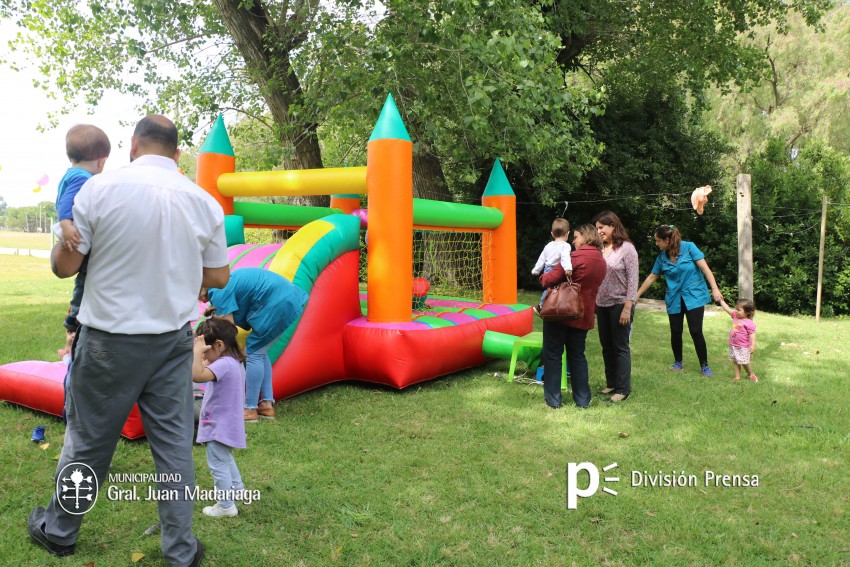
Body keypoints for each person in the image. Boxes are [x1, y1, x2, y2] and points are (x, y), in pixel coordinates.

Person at [30, 114, 230, 567]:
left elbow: (66, 267)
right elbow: (218, 275)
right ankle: (180, 550)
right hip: (172, 343)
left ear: (133, 147)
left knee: (87, 443)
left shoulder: (97, 190)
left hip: (107, 343)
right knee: (175, 449)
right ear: (178, 155)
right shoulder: (203, 202)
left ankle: (61, 531)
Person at [201, 267, 309, 422]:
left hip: (277, 302)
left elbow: (228, 330)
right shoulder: (221, 283)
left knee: (254, 353)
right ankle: (266, 404)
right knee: (259, 351)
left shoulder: (217, 290)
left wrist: (218, 358)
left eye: (200, 296)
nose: (202, 301)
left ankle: (250, 409)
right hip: (285, 297)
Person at [636, 224, 723, 376]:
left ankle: (704, 366)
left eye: (658, 241)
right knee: (675, 331)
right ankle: (678, 363)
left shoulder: (689, 247)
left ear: (667, 239)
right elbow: (652, 277)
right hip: (674, 298)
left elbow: (705, 269)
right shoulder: (662, 257)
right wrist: (636, 296)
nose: (656, 244)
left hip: (694, 296)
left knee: (696, 331)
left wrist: (715, 289)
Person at [540, 224, 607, 409]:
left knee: (553, 354)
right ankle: (583, 400)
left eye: (576, 237)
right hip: (583, 315)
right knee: (577, 356)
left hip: (560, 312)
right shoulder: (602, 261)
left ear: (586, 237)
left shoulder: (574, 257)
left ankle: (553, 400)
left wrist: (542, 278)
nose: (573, 241)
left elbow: (551, 278)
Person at [54, 124, 111, 334]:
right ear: (101, 161)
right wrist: (66, 225)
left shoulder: (72, 173)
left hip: (75, 230)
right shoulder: (82, 178)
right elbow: (66, 203)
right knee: (86, 276)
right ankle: (76, 314)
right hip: (75, 233)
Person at [193, 310, 248, 518]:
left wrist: (195, 352)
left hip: (219, 426)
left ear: (218, 345)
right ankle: (238, 489)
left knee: (218, 465)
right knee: (225, 458)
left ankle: (226, 505)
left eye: (206, 352)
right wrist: (203, 355)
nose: (204, 357)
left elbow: (197, 375)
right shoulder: (232, 362)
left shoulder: (223, 364)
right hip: (228, 424)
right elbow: (205, 369)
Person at [593, 211, 639, 403]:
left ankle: (622, 389)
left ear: (613, 225)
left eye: (601, 228)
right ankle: (611, 383)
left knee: (620, 347)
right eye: (597, 229)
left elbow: (633, 280)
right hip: (601, 304)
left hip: (620, 304)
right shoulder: (599, 248)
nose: (599, 231)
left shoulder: (627, 249)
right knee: (606, 346)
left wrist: (628, 307)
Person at [531, 218, 573, 315]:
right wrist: (568, 268)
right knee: (557, 289)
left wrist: (536, 270)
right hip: (557, 270)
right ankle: (543, 305)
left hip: (547, 269)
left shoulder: (548, 245)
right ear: (568, 233)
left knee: (549, 289)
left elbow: (541, 258)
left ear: (552, 234)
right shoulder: (565, 246)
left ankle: (545, 305)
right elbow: (565, 257)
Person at [717, 297, 758, 382]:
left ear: (747, 312)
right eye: (736, 309)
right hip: (733, 345)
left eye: (739, 310)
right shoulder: (736, 316)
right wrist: (721, 301)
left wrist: (753, 345)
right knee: (735, 361)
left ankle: (750, 374)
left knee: (744, 362)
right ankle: (737, 377)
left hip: (743, 347)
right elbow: (727, 309)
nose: (736, 311)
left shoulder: (749, 323)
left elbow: (752, 335)